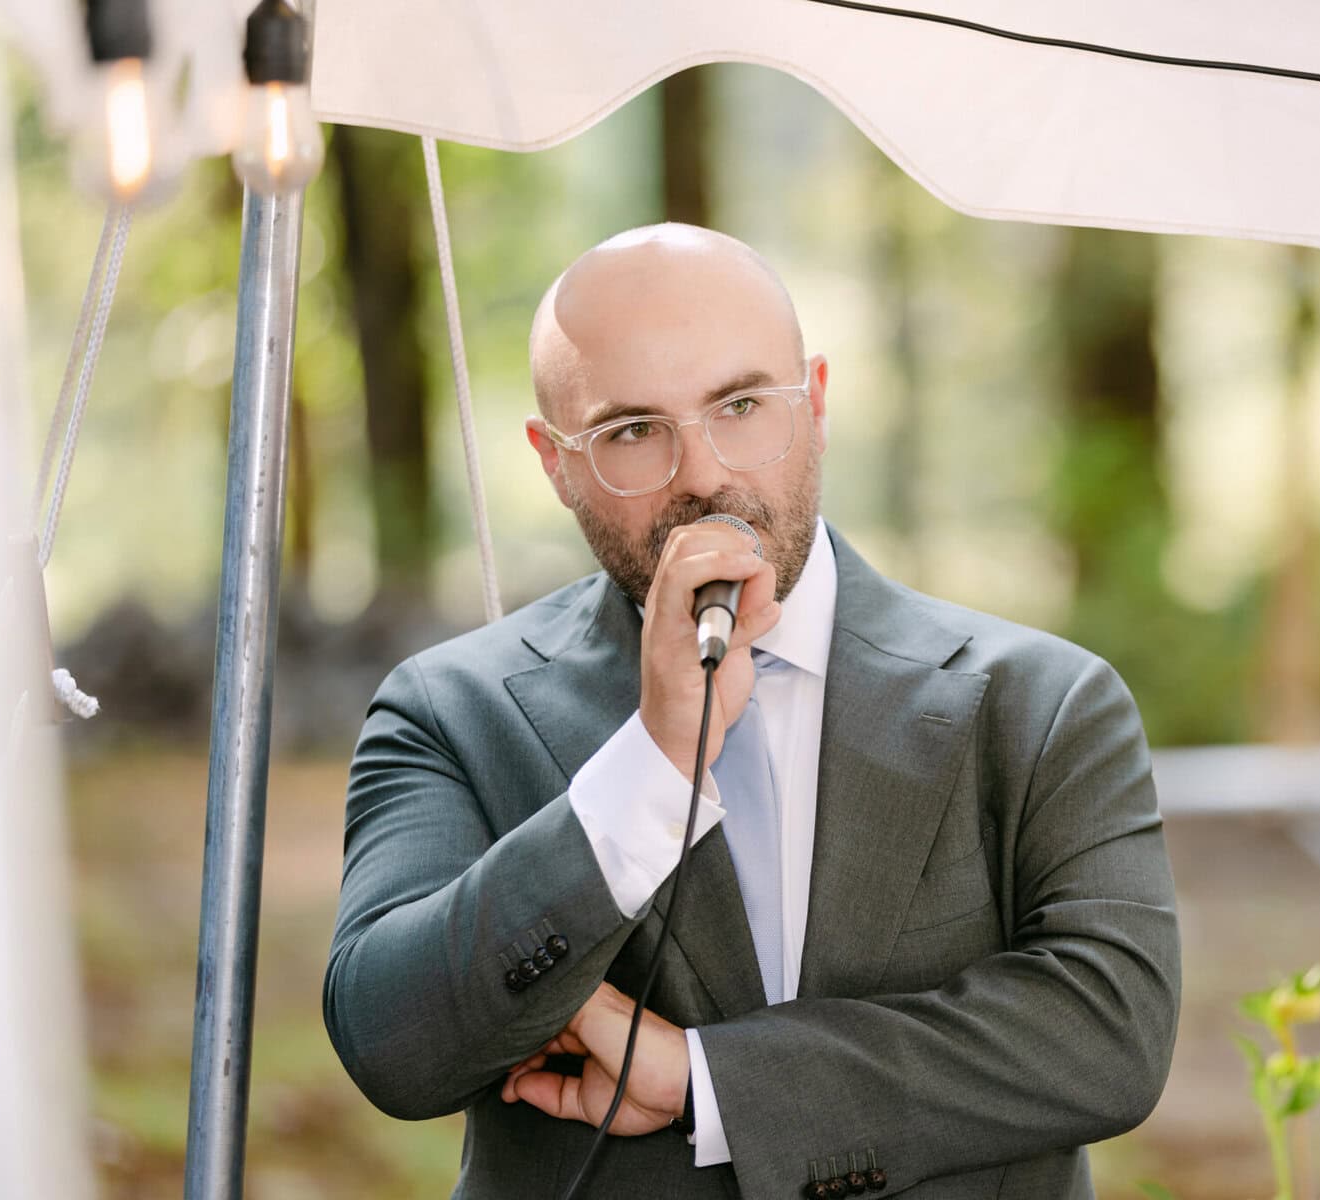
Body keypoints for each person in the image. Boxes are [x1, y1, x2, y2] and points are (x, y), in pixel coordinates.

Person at [323, 223, 1181, 1199]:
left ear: (814, 403)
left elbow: (1111, 1035)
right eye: (632, 431)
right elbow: (393, 1046)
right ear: (555, 463)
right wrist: (649, 765)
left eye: (739, 405)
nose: (702, 476)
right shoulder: (448, 712)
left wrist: (705, 1082)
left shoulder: (1041, 704)